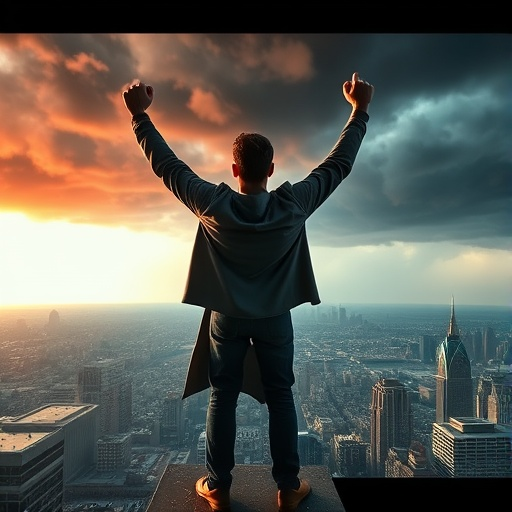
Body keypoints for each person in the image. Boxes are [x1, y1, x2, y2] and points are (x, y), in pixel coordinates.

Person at [122, 71, 374, 512]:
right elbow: (338, 166)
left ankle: (217, 486)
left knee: (223, 394)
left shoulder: (212, 205)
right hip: (275, 317)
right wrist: (358, 112)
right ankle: (288, 488)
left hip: (227, 318)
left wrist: (140, 117)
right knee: (281, 396)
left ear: (235, 170)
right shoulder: (293, 205)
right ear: (271, 171)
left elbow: (168, 166)